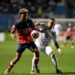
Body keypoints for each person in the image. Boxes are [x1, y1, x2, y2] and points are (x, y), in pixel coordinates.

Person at [4, 8, 40, 74]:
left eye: (27, 15)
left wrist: (36, 32)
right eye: (24, 15)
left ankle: (36, 65)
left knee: (37, 52)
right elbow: (12, 32)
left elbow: (34, 29)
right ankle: (8, 70)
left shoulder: (30, 21)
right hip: (22, 42)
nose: (26, 17)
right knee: (17, 57)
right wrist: (12, 35)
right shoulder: (17, 23)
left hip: (30, 42)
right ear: (20, 15)